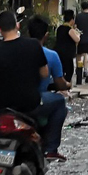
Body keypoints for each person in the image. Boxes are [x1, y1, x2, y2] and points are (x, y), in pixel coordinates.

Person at [0, 11, 67, 162]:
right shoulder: (33, 45)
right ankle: (51, 149)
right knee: (60, 102)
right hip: (29, 104)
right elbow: (44, 73)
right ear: (18, 25)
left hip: (1, 105)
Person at [26, 16, 70, 160]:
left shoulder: (17, 49)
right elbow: (59, 83)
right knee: (60, 102)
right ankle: (51, 148)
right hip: (36, 100)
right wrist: (68, 85)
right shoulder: (50, 55)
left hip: (10, 99)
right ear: (46, 35)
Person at [55, 10, 81, 85]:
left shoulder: (59, 28)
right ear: (72, 20)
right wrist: (78, 34)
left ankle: (60, 85)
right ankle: (66, 85)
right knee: (69, 71)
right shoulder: (70, 30)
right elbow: (77, 39)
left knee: (62, 70)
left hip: (58, 52)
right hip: (67, 53)